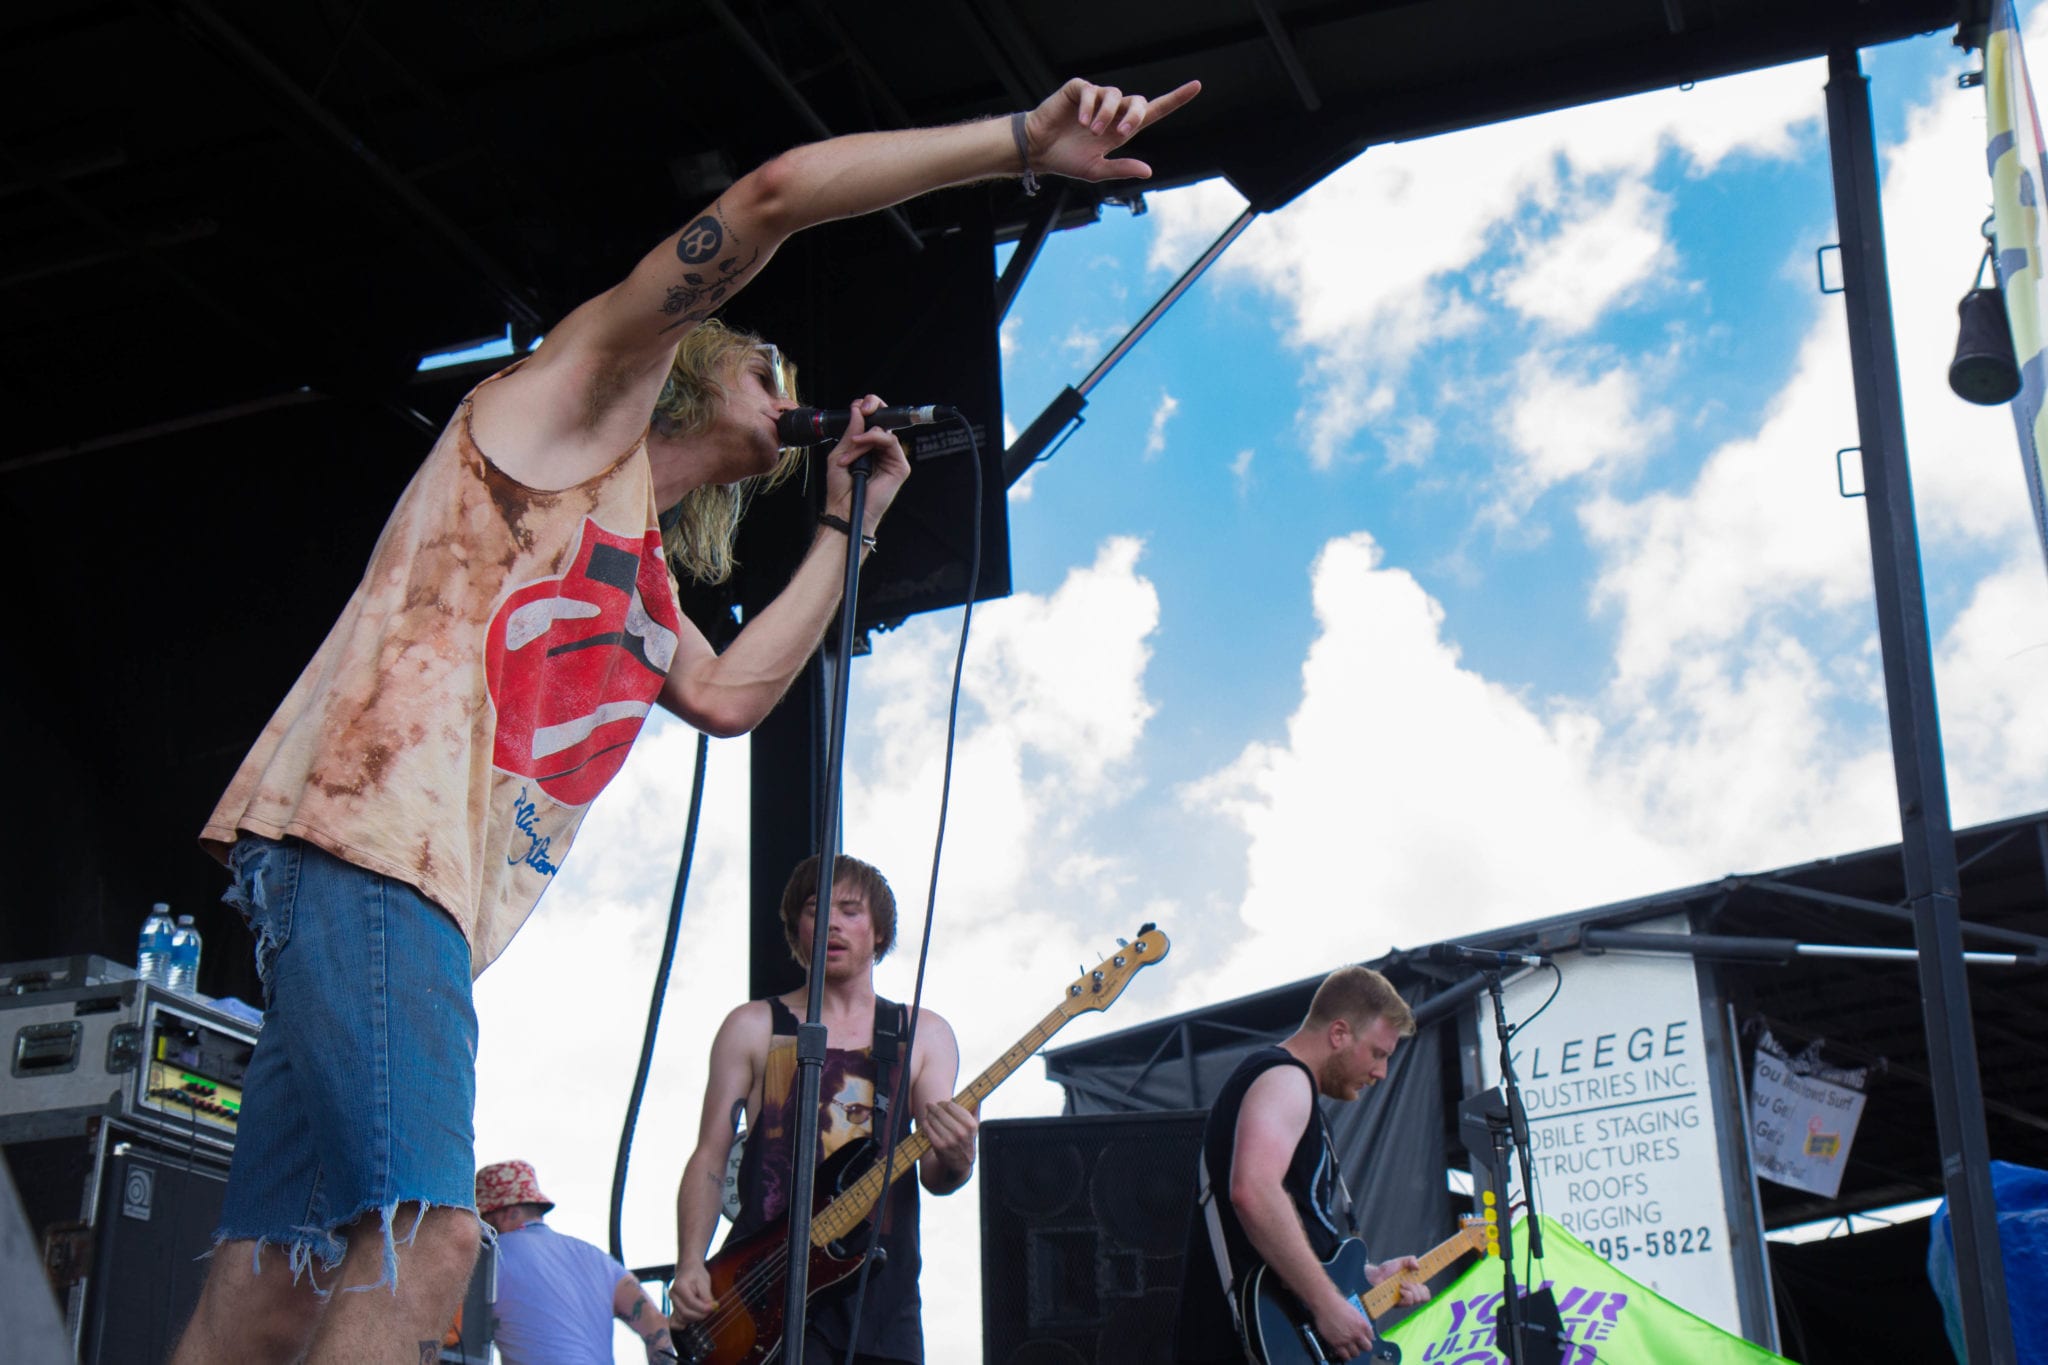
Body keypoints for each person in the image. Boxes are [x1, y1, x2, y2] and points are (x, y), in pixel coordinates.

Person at [169, 74, 1201, 1365]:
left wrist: (849, 523)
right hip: (375, 850)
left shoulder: (644, 579)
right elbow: (769, 197)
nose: (785, 388)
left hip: (375, 882)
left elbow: (732, 696)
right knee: (429, 1239)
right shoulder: (569, 407)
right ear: (700, 364)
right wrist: (1018, 144)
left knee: (270, 1282)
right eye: (769, 367)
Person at [671, 854, 976, 1364]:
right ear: (798, 929)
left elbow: (936, 1176)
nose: (832, 923)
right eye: (816, 910)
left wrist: (960, 1156)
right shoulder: (753, 1026)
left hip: (882, 1298)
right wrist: (689, 1263)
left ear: (880, 932)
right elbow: (710, 1156)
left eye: (850, 911)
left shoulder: (923, 1033)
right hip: (761, 1287)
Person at [1174, 966, 1433, 1363]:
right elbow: (1254, 1191)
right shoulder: (1285, 1078)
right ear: (1339, 1033)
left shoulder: (1289, 1087)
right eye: (1378, 1054)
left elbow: (1290, 1234)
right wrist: (1326, 1304)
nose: (1381, 1073)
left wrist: (1367, 1280)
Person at [474, 1159, 673, 1364]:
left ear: (509, 1213)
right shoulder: (599, 1259)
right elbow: (656, 1322)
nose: (480, 1229)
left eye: (483, 1218)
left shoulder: (491, 1255)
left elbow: (458, 1333)